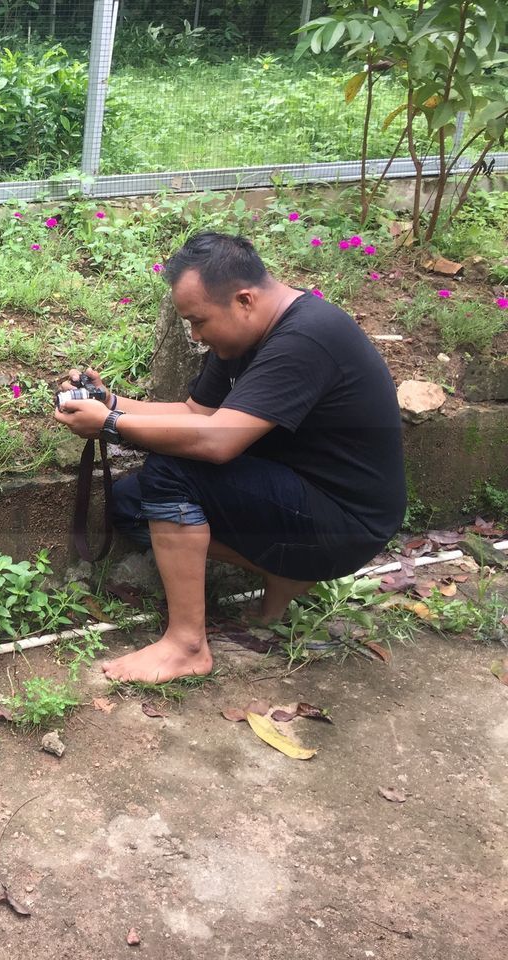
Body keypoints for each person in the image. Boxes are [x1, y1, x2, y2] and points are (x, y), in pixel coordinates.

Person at [54, 232, 405, 683]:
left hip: (346, 524)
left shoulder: (307, 339)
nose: (196, 336)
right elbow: (193, 414)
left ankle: (187, 646)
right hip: (296, 492)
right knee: (130, 502)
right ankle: (286, 576)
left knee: (172, 471)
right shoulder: (242, 335)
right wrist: (109, 402)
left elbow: (215, 441)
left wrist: (109, 425)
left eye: (199, 322)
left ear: (243, 299)